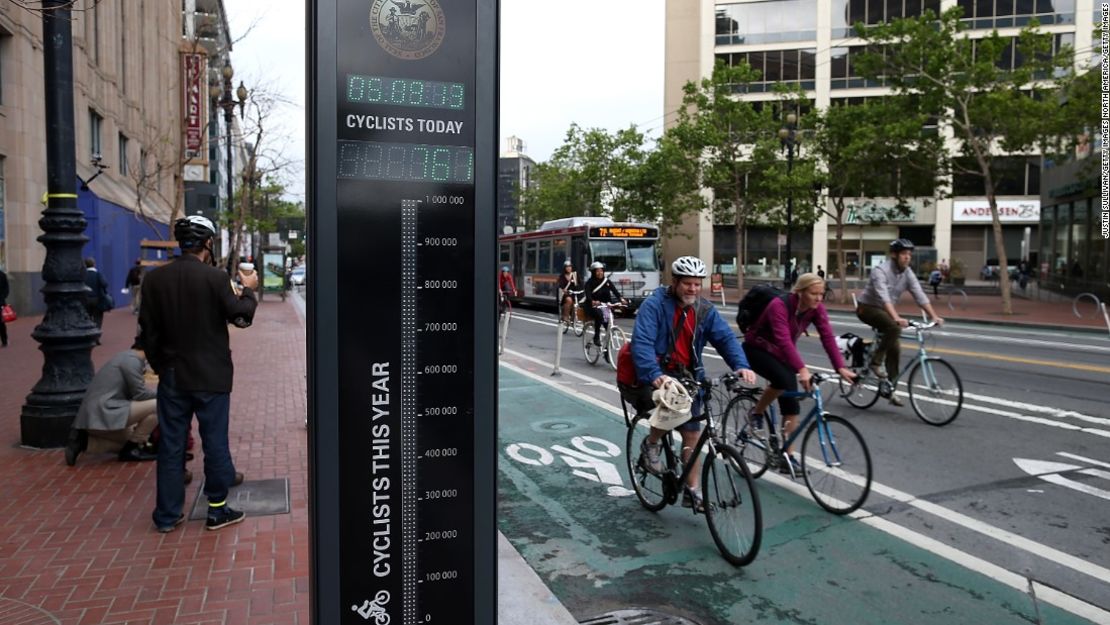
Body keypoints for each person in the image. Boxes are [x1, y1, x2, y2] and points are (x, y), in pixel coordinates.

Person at [140, 215, 259, 533]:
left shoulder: (153, 281)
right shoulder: (215, 278)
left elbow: (148, 334)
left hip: (173, 376)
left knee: (171, 445)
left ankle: (167, 515)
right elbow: (241, 318)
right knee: (214, 441)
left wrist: (162, 367)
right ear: (207, 243)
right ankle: (217, 510)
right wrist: (248, 292)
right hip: (211, 376)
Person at [619, 256, 756, 511]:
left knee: (692, 434)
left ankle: (692, 492)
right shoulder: (655, 305)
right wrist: (654, 373)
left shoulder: (704, 310)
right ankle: (651, 445)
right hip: (654, 373)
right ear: (675, 282)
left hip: (688, 375)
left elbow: (725, 338)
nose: (693, 289)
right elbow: (643, 342)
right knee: (674, 402)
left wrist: (741, 365)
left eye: (697, 284)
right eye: (687, 284)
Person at [742, 274, 856, 472]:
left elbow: (827, 336)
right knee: (783, 380)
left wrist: (840, 367)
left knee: (791, 405)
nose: (819, 298)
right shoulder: (779, 305)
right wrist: (802, 369)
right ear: (800, 292)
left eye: (821, 294)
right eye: (814, 294)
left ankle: (787, 456)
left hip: (782, 354)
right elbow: (783, 339)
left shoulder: (816, 308)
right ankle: (756, 412)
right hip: (757, 349)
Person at [855, 239, 944, 406]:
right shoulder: (880, 271)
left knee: (895, 349)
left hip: (885, 310)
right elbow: (884, 297)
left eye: (909, 255)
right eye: (904, 254)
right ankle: (875, 362)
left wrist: (934, 316)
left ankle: (890, 390)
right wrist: (896, 318)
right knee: (894, 327)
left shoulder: (907, 273)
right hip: (866, 308)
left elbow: (919, 295)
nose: (907, 258)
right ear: (894, 255)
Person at [64, 340, 159, 466]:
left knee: (129, 439)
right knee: (160, 405)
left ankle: (85, 442)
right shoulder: (132, 360)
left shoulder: (126, 357)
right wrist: (164, 393)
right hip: (105, 411)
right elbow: (140, 395)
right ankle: (134, 448)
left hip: (97, 415)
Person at [582, 261, 625, 351]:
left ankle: (606, 351)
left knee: (608, 326)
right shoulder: (589, 283)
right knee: (599, 315)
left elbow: (615, 291)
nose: (600, 273)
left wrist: (621, 299)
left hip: (605, 305)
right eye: (597, 271)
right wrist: (593, 301)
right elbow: (588, 294)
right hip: (592, 306)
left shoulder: (607, 281)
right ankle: (596, 336)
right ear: (593, 272)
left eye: (601, 271)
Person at [84, 257, 111, 336]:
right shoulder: (98, 274)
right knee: (98, 318)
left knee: (87, 317)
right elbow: (104, 284)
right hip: (96, 299)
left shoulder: (83, 275)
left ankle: (87, 334)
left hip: (85, 299)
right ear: (94, 264)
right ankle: (96, 336)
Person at [556, 260, 579, 328]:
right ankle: (565, 316)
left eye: (570, 266)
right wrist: (564, 289)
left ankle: (573, 318)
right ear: (564, 268)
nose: (569, 268)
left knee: (578, 303)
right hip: (565, 295)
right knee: (569, 300)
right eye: (567, 267)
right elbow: (560, 285)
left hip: (574, 293)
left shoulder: (575, 275)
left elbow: (580, 284)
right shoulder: (562, 276)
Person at [0, 267, 9, 347]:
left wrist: (2, 298)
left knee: (1, 323)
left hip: (0, 302)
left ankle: (4, 340)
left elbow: (6, 289)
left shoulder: (2, 275)